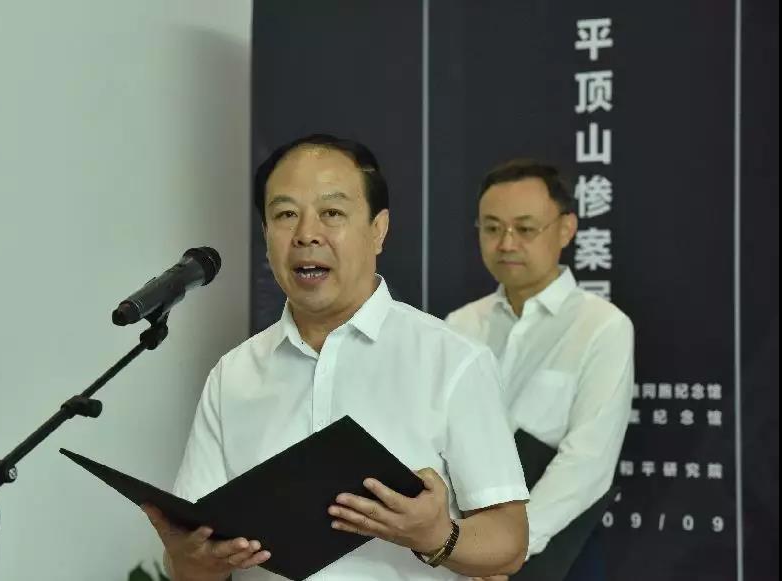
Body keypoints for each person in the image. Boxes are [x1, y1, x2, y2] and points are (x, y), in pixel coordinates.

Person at [144, 135, 530, 580]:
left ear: (378, 229)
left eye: (332, 213)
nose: (307, 234)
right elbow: (195, 556)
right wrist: (191, 561)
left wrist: (436, 536)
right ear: (266, 235)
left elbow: (509, 541)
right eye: (285, 215)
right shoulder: (233, 375)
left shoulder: (452, 359)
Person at [446, 159, 634, 581]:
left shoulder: (602, 327)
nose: (506, 243)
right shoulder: (460, 325)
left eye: (526, 228)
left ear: (566, 229)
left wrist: (506, 549)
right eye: (492, 228)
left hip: (553, 555)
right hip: (459, 550)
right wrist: (456, 544)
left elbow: (587, 462)